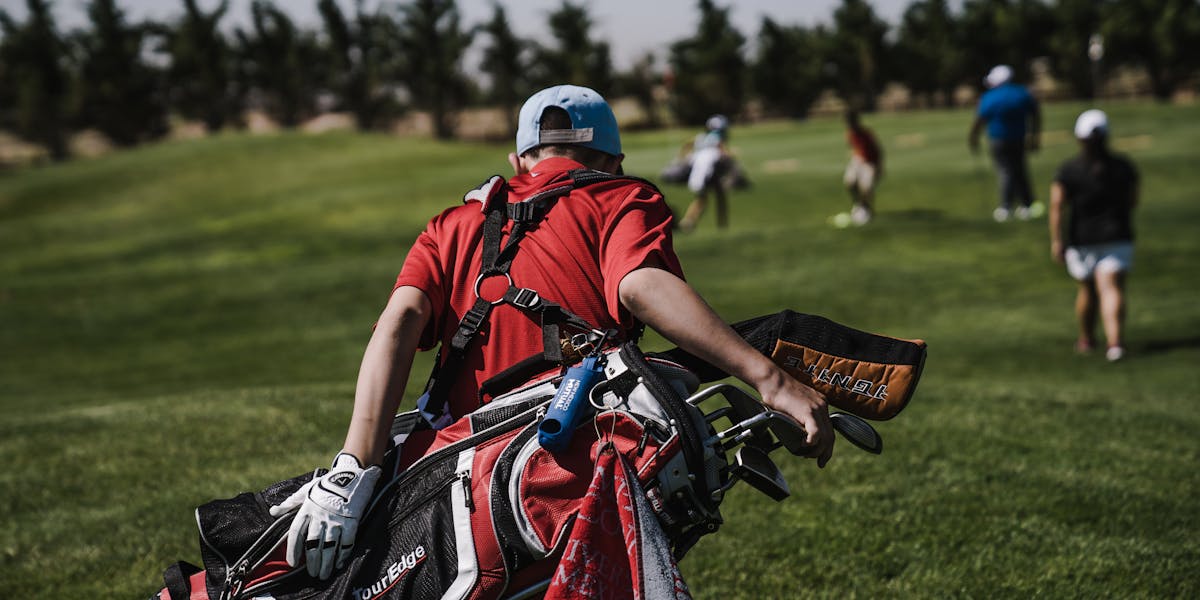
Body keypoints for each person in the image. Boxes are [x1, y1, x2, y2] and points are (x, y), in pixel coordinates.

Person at [268, 85, 835, 580]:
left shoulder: (453, 223)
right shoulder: (620, 197)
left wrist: (352, 468)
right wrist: (771, 379)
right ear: (612, 160)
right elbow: (640, 286)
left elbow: (399, 323)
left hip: (446, 480)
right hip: (568, 475)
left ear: (518, 160)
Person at [1049, 109, 1139, 362]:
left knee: (1088, 290)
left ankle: (1087, 339)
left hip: (1082, 238)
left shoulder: (1069, 170)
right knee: (1111, 288)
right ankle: (1115, 344)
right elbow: (1133, 200)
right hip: (1118, 235)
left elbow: (1057, 206)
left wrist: (1057, 240)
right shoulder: (1122, 167)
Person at [969, 64, 1041, 222]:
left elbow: (980, 119)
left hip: (998, 139)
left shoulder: (990, 96)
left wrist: (973, 138)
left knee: (1005, 171)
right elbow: (1035, 114)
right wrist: (1035, 137)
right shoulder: (1022, 93)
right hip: (1019, 138)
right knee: (1020, 169)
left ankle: (1006, 207)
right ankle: (1027, 205)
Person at [679, 114, 733, 231]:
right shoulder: (718, 139)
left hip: (698, 175)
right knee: (710, 198)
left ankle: (689, 222)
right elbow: (725, 154)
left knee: (703, 199)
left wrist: (684, 157)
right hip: (708, 175)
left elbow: (687, 144)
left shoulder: (701, 137)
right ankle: (720, 225)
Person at [843, 109, 884, 226]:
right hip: (857, 160)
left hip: (870, 162)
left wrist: (879, 167)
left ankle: (867, 209)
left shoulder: (866, 133)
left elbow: (878, 150)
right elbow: (852, 147)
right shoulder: (849, 134)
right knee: (849, 183)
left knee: (866, 188)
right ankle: (859, 205)